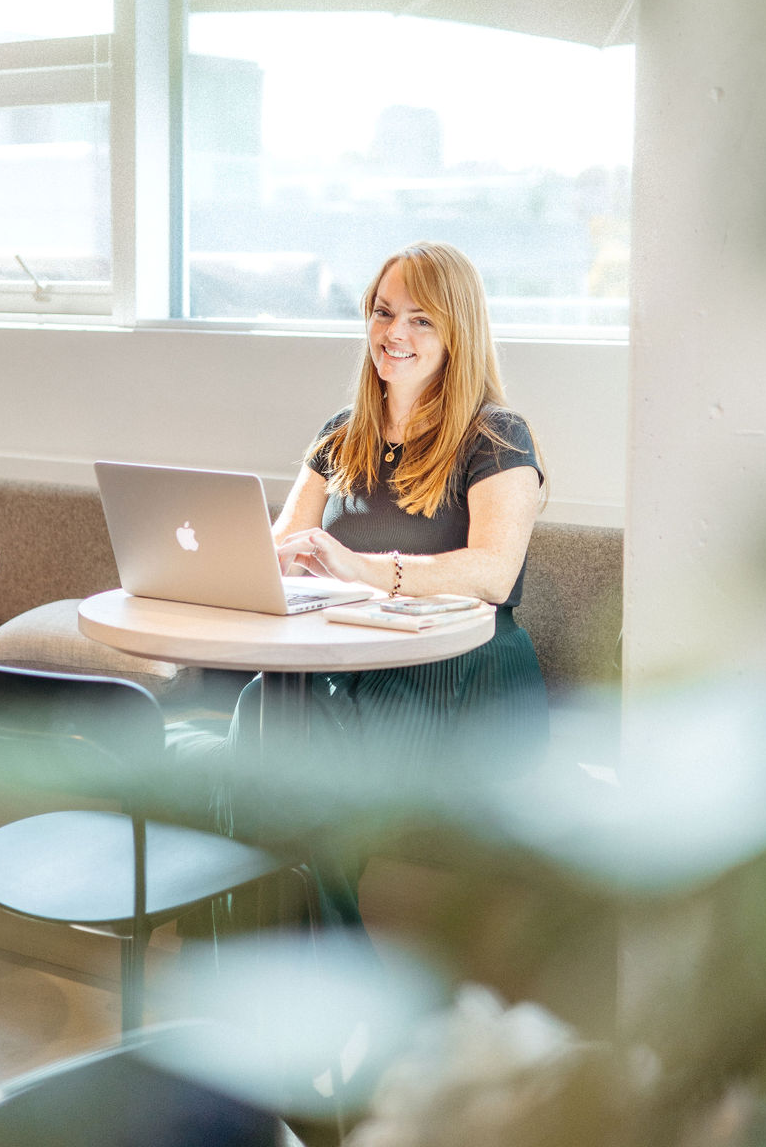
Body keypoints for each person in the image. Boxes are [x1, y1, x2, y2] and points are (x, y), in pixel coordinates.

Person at [173, 241, 548, 927]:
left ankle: (269, 978)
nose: (393, 334)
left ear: (457, 333)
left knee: (276, 766)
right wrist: (246, 560)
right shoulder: (340, 437)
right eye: (383, 313)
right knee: (264, 713)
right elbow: (281, 546)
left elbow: (493, 573)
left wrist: (363, 567)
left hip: (459, 674)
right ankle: (312, 981)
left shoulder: (496, 438)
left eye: (420, 319)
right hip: (349, 663)